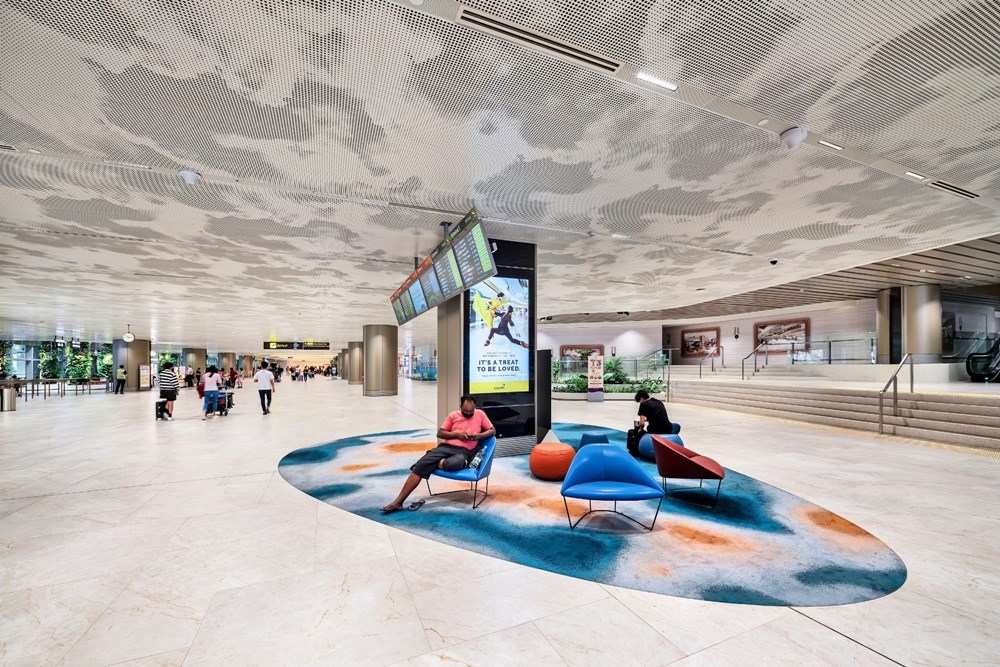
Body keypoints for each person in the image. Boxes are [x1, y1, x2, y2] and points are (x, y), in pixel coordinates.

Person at [381, 395, 495, 512]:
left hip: (464, 452)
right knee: (420, 467)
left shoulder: (480, 414)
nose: (468, 414)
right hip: (445, 447)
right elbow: (440, 433)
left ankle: (430, 462)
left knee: (453, 463)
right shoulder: (453, 415)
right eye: (465, 411)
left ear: (475, 407)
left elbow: (492, 430)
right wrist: (457, 435)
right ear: (460, 406)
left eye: (471, 411)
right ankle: (398, 502)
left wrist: (479, 435)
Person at [628, 390, 672, 456]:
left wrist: (640, 429)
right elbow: (656, 416)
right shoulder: (658, 402)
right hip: (668, 428)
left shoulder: (643, 404)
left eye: (639, 401)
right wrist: (645, 420)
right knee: (677, 426)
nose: (640, 403)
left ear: (641, 398)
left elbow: (642, 424)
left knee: (646, 429)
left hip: (655, 430)